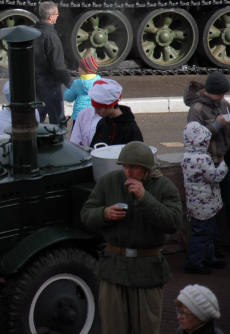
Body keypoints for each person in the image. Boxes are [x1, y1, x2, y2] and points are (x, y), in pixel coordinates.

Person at [80, 141, 182, 334]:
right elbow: (86, 214)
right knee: (113, 328)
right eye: (125, 166)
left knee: (147, 328)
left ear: (146, 167)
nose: (128, 172)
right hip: (114, 269)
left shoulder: (164, 187)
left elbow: (173, 223)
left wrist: (145, 198)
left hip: (147, 269)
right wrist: (104, 214)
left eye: (133, 167)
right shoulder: (108, 181)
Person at [184, 71, 230, 259]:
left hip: (225, 159)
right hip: (213, 163)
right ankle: (215, 251)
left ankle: (217, 250)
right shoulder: (196, 109)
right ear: (209, 92)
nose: (223, 98)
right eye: (219, 94)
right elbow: (194, 138)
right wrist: (216, 126)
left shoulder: (224, 104)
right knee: (214, 214)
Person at [181, 122, 228, 275]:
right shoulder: (202, 159)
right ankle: (193, 263)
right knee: (202, 235)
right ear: (203, 141)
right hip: (206, 205)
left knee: (206, 234)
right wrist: (225, 163)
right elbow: (215, 177)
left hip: (196, 204)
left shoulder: (187, 157)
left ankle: (208, 258)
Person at [33, 2, 72, 125]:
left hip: (34, 84)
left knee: (37, 121)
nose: (58, 16)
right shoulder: (51, 36)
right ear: (50, 17)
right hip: (50, 86)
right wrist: (70, 83)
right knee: (58, 121)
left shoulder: (32, 32)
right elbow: (58, 65)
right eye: (57, 13)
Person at [89, 79, 144, 147]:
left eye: (98, 109)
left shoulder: (130, 129)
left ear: (110, 107)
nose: (96, 112)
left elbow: (136, 154)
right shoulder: (102, 123)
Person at [64, 56, 101, 124]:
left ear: (85, 70)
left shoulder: (77, 83)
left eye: (80, 67)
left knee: (77, 134)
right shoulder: (100, 82)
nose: (78, 69)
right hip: (95, 115)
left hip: (79, 116)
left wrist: (67, 90)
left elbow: (69, 98)